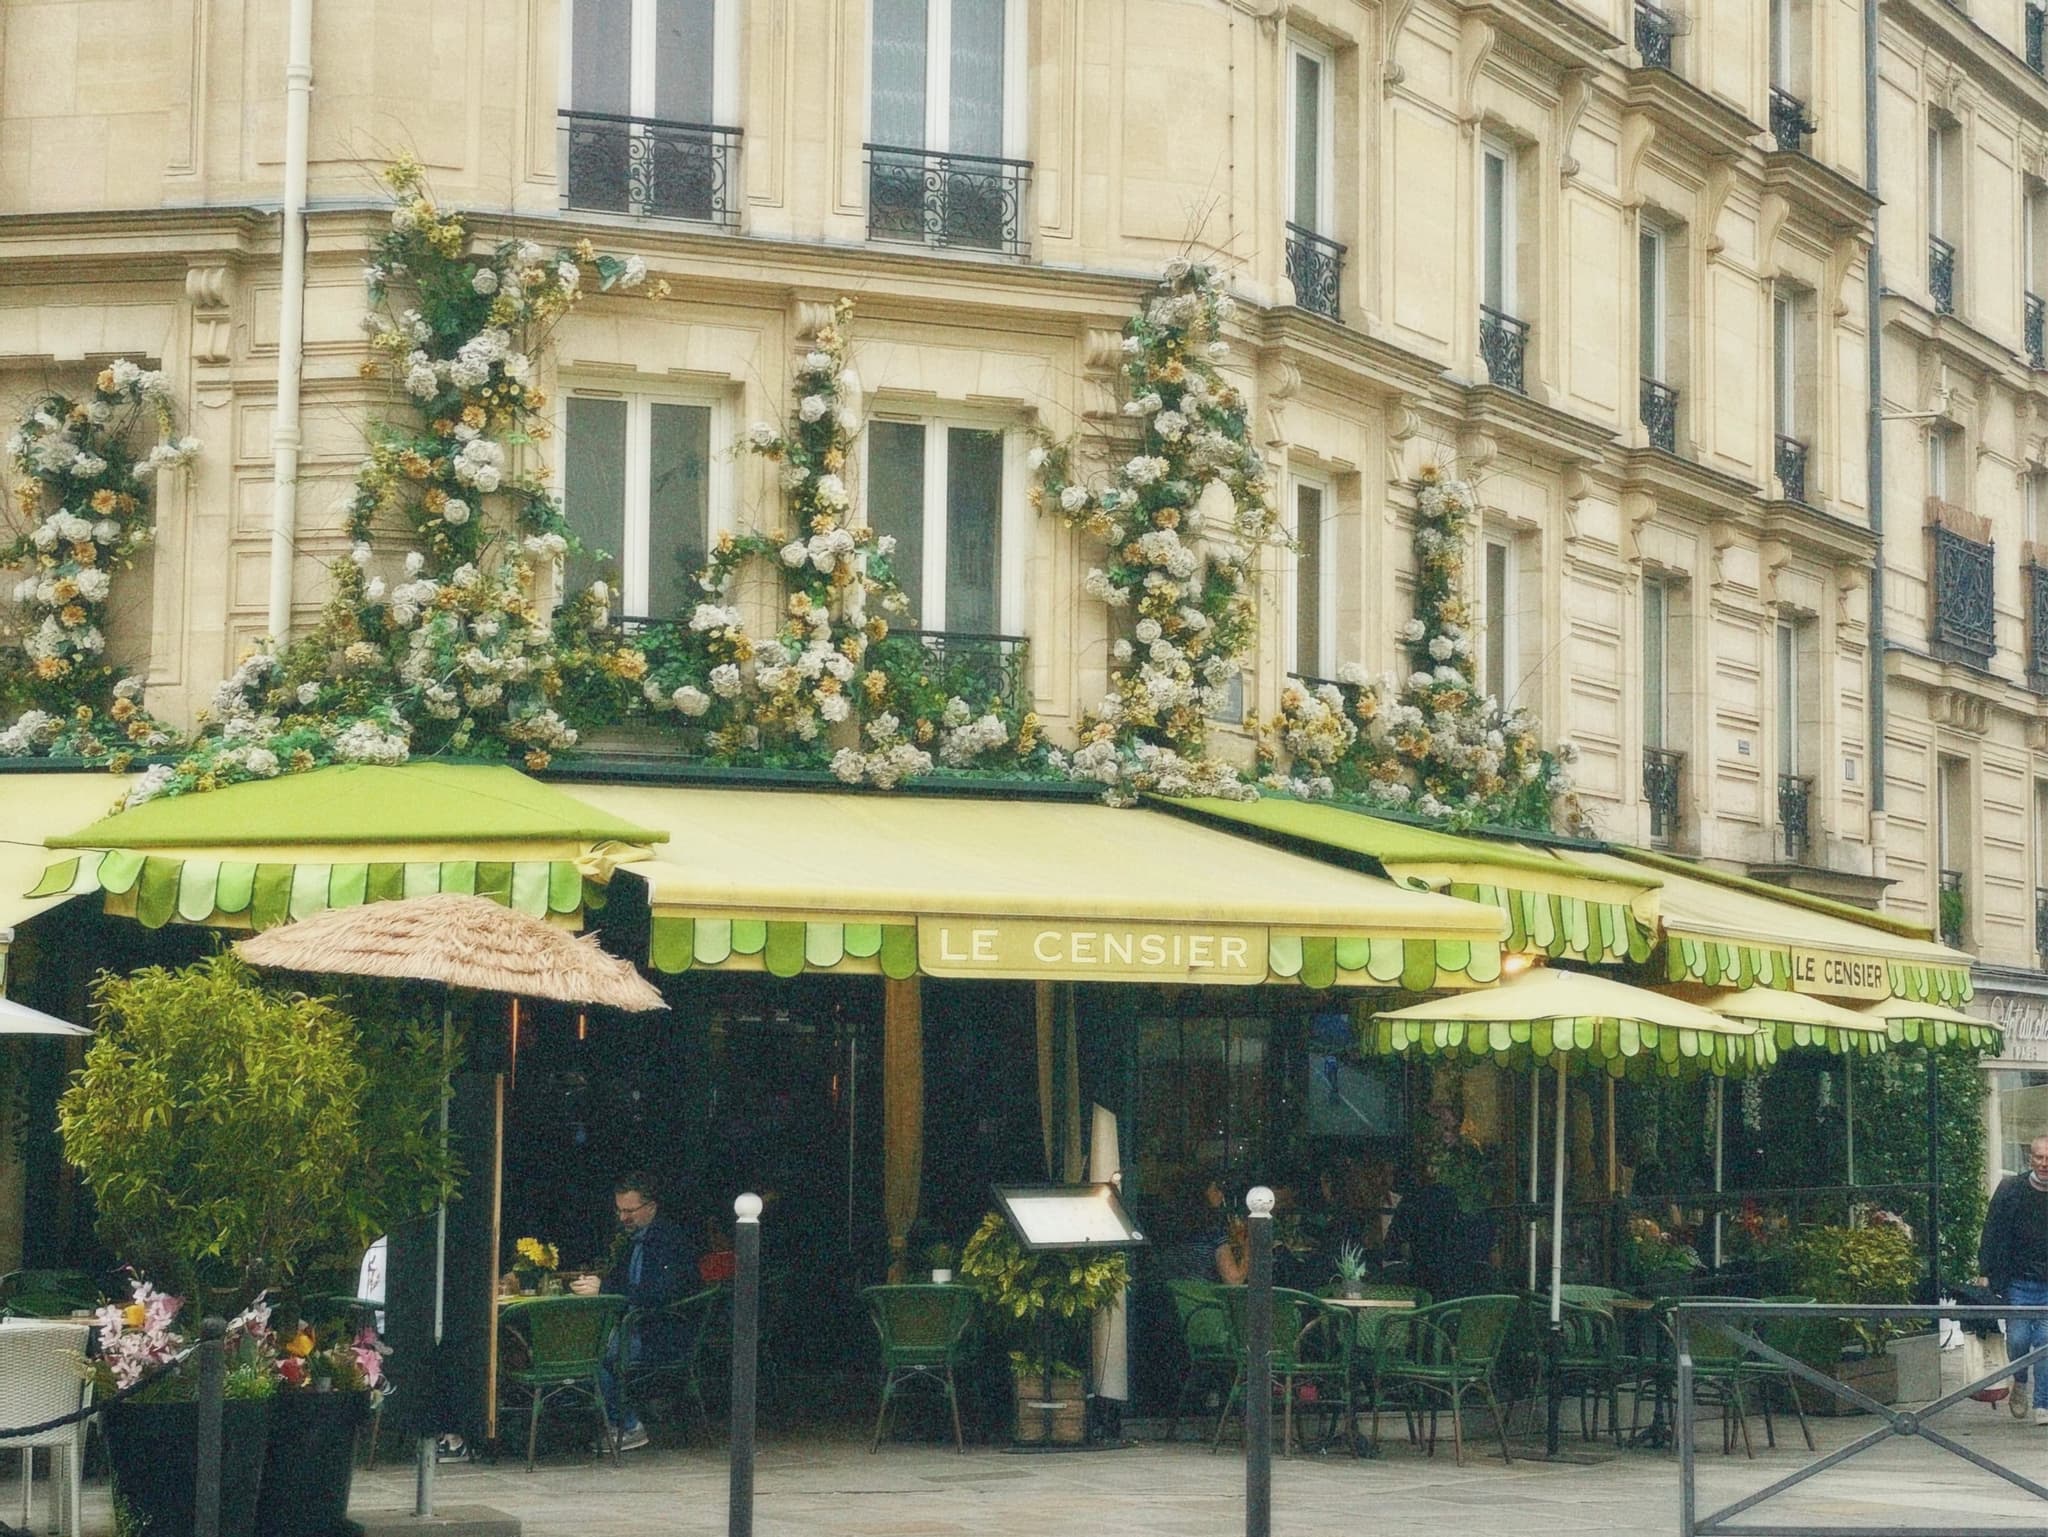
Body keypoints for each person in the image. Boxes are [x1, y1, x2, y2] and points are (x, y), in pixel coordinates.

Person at [573, 1172, 692, 1450]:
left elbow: (661, 1294)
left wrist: (604, 1291)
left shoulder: (668, 1242)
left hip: (661, 1333)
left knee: (591, 1356)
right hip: (637, 1327)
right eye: (619, 1210)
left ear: (650, 1207)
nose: (623, 1218)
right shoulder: (634, 1240)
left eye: (630, 1211)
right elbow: (619, 1282)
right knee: (583, 1347)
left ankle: (627, 1425)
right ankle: (606, 1421)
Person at [1978, 1134, 2048, 1425]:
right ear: (2029, 1158)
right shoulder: (2010, 1190)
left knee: (2045, 1342)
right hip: (2017, 1281)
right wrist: (1985, 1271)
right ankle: (2020, 1380)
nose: (2044, 1164)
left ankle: (2042, 1404)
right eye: (2039, 1157)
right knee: (2018, 1340)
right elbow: (1991, 1231)